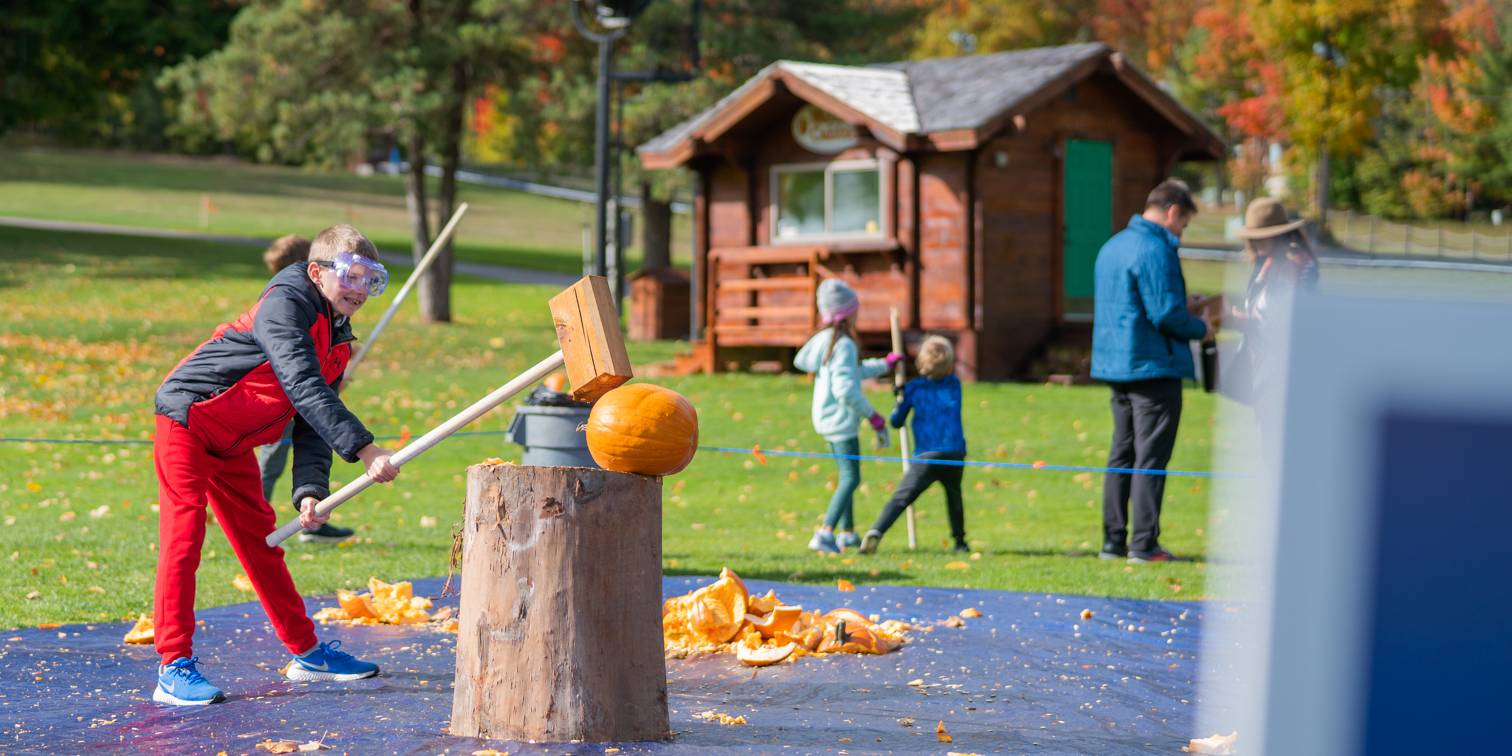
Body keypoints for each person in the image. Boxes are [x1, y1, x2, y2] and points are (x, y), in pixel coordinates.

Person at [151, 224, 399, 705]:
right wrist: (366, 449)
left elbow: (311, 419)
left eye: (371, 279)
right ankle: (173, 665)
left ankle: (307, 654)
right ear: (316, 271)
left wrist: (310, 490)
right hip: (189, 419)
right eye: (350, 274)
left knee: (263, 544)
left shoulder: (338, 338)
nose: (360, 289)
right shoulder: (286, 305)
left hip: (232, 445)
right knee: (184, 540)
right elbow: (302, 383)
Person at [1090, 179, 1215, 564]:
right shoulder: (1156, 249)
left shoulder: (1112, 246)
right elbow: (1163, 314)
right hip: (1152, 367)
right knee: (1151, 458)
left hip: (1117, 364)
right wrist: (1202, 328)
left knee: (1122, 455)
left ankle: (1113, 542)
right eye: (1184, 224)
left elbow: (1134, 305)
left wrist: (1182, 305)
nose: (1181, 233)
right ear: (1173, 212)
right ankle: (1144, 545)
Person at [254, 236, 356, 544]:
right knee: (271, 460)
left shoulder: (323, 306)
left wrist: (334, 366)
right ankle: (255, 517)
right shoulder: (284, 302)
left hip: (306, 393)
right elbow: (289, 356)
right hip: (281, 395)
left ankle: (313, 520)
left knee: (312, 446)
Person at [794, 279, 900, 554]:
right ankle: (825, 533)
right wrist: (873, 416)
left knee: (846, 475)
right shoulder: (843, 345)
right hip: (840, 422)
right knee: (851, 478)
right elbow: (846, 390)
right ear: (847, 313)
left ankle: (848, 533)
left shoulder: (828, 342)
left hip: (827, 419)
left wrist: (884, 365)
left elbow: (852, 373)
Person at [859, 335, 967, 555]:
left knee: (902, 497)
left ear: (921, 362)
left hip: (927, 455)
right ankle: (960, 542)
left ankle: (877, 531)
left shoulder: (915, 389)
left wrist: (900, 399)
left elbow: (897, 421)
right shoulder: (955, 384)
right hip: (955, 452)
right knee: (954, 497)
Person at [1226, 197, 1319, 448]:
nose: (1255, 243)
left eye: (1262, 237)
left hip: (1284, 369)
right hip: (1263, 367)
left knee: (1277, 449)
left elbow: (1286, 322)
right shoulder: (1265, 263)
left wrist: (1240, 321)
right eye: (1253, 237)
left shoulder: (1294, 264)